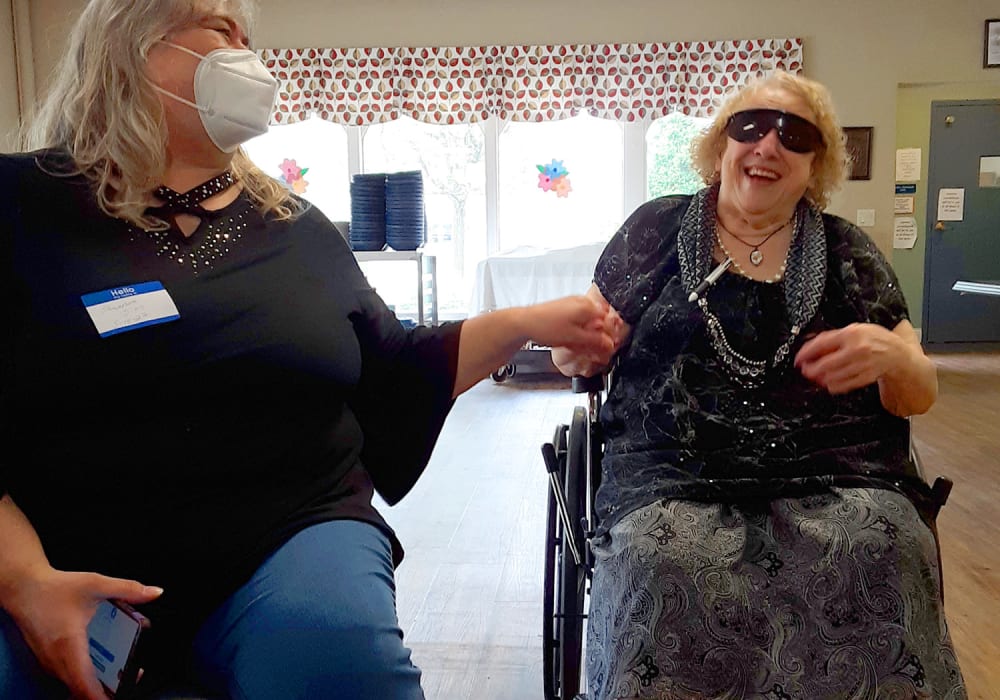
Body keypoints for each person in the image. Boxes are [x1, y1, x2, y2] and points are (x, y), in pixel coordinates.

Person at [0, 2, 615, 698]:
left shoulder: (293, 226)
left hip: (289, 534)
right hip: (64, 559)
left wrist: (526, 321)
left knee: (336, 658)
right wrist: (25, 583)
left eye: (248, 37)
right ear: (133, 46)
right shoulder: (22, 203)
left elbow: (397, 367)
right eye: (220, 29)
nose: (246, 54)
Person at [551, 71, 968, 699]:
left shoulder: (848, 251)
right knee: (663, 559)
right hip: (674, 472)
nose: (768, 146)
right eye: (751, 127)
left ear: (816, 163)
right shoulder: (655, 233)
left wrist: (892, 355)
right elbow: (575, 350)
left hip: (836, 471)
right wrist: (579, 348)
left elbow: (917, 394)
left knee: (890, 544)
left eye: (794, 135)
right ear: (722, 145)